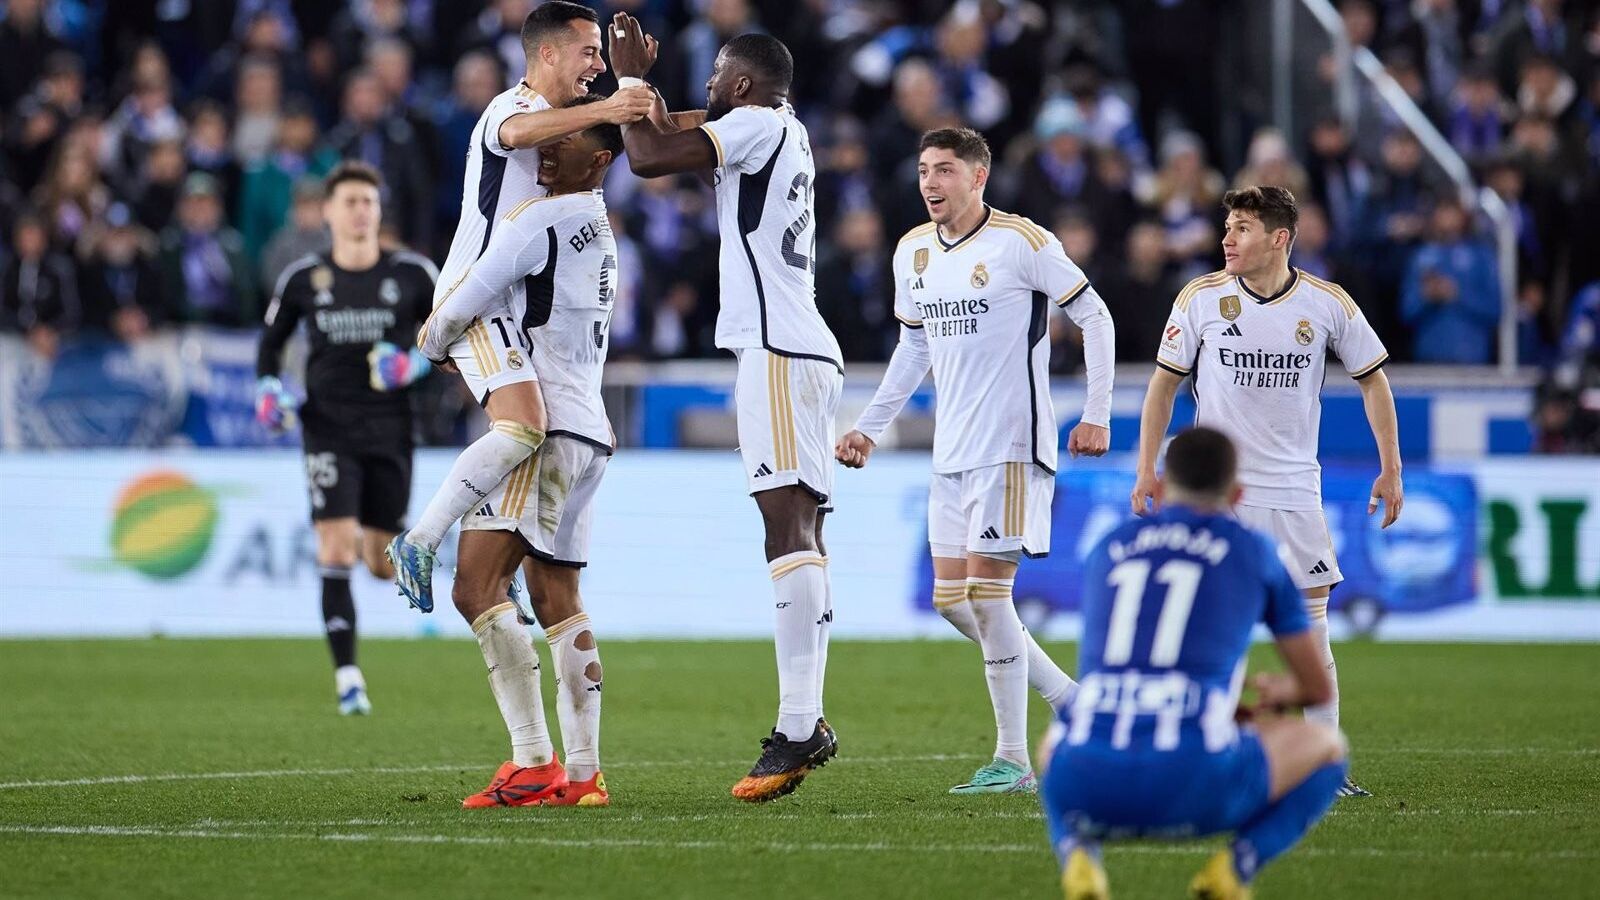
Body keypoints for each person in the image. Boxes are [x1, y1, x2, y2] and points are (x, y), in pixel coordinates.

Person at [835, 128, 1115, 794]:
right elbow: (914, 349)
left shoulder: (1023, 242)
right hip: (951, 450)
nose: (931, 183)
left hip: (1012, 446)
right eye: (924, 170)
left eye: (946, 170)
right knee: (951, 601)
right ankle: (1075, 702)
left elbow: (1095, 316)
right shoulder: (912, 252)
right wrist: (870, 428)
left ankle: (1014, 759)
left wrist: (1097, 411)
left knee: (989, 598)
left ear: (979, 176)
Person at [613, 17, 844, 802]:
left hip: (778, 347)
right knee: (802, 528)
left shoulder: (749, 124)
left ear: (742, 86)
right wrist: (649, 94)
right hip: (800, 343)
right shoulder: (782, 126)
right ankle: (804, 716)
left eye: (714, 76)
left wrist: (626, 81)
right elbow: (673, 125)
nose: (707, 88)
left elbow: (647, 157)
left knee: (786, 524)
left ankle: (799, 725)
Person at [1130, 185, 1402, 798]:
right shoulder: (1201, 299)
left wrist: (1392, 468)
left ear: (1280, 238)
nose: (1227, 237)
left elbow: (1375, 381)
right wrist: (1147, 468)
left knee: (1311, 624)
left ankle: (1325, 765)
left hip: (1295, 489)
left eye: (1243, 227)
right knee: (1205, 623)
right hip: (1214, 494)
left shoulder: (1326, 304)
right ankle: (1197, 754)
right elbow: (1161, 388)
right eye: (1227, 226)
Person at [384, 0, 652, 613]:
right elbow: (514, 136)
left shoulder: (569, 119)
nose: (597, 66)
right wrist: (613, 104)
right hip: (474, 293)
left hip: (511, 303)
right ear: (548, 53)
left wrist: (718, 116)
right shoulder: (514, 106)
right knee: (526, 424)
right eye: (589, 52)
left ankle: (494, 559)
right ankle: (420, 541)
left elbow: (635, 128)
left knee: (531, 431)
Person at [417, 100, 623, 809]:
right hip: (591, 431)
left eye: (563, 143)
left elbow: (468, 292)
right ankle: (585, 773)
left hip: (545, 432)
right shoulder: (600, 229)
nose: (545, 151)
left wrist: (434, 341)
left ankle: (534, 763)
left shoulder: (542, 219)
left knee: (474, 588)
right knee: (557, 599)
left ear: (597, 161)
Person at [1043, 426, 1346, 900]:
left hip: (1084, 783)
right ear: (1238, 494)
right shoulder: (1256, 549)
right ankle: (1234, 870)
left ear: (1160, 487)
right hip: (1194, 784)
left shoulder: (1109, 546)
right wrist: (1280, 695)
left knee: (1055, 740)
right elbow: (1316, 689)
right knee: (1327, 746)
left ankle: (1078, 851)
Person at [254, 162, 437, 716]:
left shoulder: (413, 275)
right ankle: (348, 678)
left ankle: (396, 564)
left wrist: (413, 366)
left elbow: (448, 340)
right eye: (350, 201)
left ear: (378, 212)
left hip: (391, 432)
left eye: (369, 202)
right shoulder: (303, 279)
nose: (360, 211)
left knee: (382, 564)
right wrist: (268, 389)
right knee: (333, 545)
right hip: (327, 429)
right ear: (329, 212)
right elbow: (270, 345)